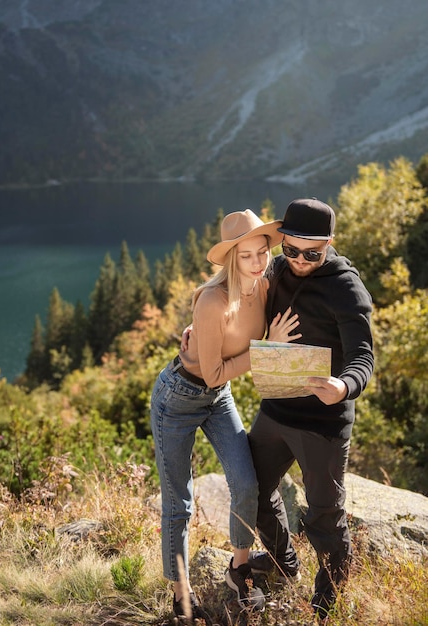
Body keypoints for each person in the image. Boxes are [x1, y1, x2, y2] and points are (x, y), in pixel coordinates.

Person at [150, 209, 302, 621]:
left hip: (219, 398)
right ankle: (181, 596)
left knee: (247, 483)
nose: (257, 263)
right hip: (177, 399)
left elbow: (309, 259)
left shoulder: (265, 284)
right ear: (231, 259)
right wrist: (265, 349)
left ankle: (239, 568)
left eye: (262, 253)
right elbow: (214, 369)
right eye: (246, 256)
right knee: (179, 500)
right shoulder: (213, 300)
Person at [247, 198, 374, 621]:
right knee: (251, 492)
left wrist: (344, 385)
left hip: (323, 423)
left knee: (324, 516)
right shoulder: (278, 269)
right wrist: (210, 324)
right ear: (283, 242)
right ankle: (286, 565)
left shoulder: (345, 287)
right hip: (277, 410)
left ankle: (327, 602)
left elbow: (363, 357)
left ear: (329, 245)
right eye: (292, 250)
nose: (300, 261)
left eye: (312, 253)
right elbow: (245, 309)